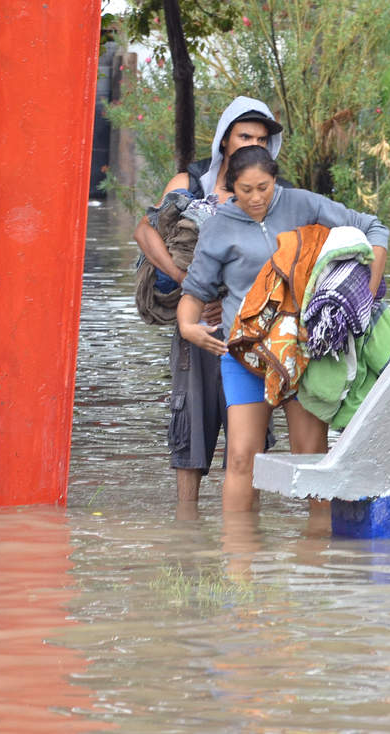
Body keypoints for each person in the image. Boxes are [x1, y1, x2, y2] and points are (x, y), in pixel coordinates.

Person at [177, 145, 389, 514]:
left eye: (264, 187)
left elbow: (373, 227)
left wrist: (365, 293)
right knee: (242, 457)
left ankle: (317, 545)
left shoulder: (303, 203)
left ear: (275, 180)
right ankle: (238, 548)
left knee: (310, 457)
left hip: (303, 353)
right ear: (231, 187)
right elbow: (194, 293)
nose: (256, 198)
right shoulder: (218, 227)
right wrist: (187, 327)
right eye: (246, 190)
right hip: (245, 355)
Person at [132, 97, 285, 504]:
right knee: (190, 431)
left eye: (261, 139)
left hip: (252, 329)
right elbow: (145, 231)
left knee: (250, 441)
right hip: (196, 327)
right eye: (245, 136)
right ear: (224, 140)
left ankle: (245, 531)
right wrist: (190, 285)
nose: (253, 144)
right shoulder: (193, 183)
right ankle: (187, 529)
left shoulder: (272, 194)